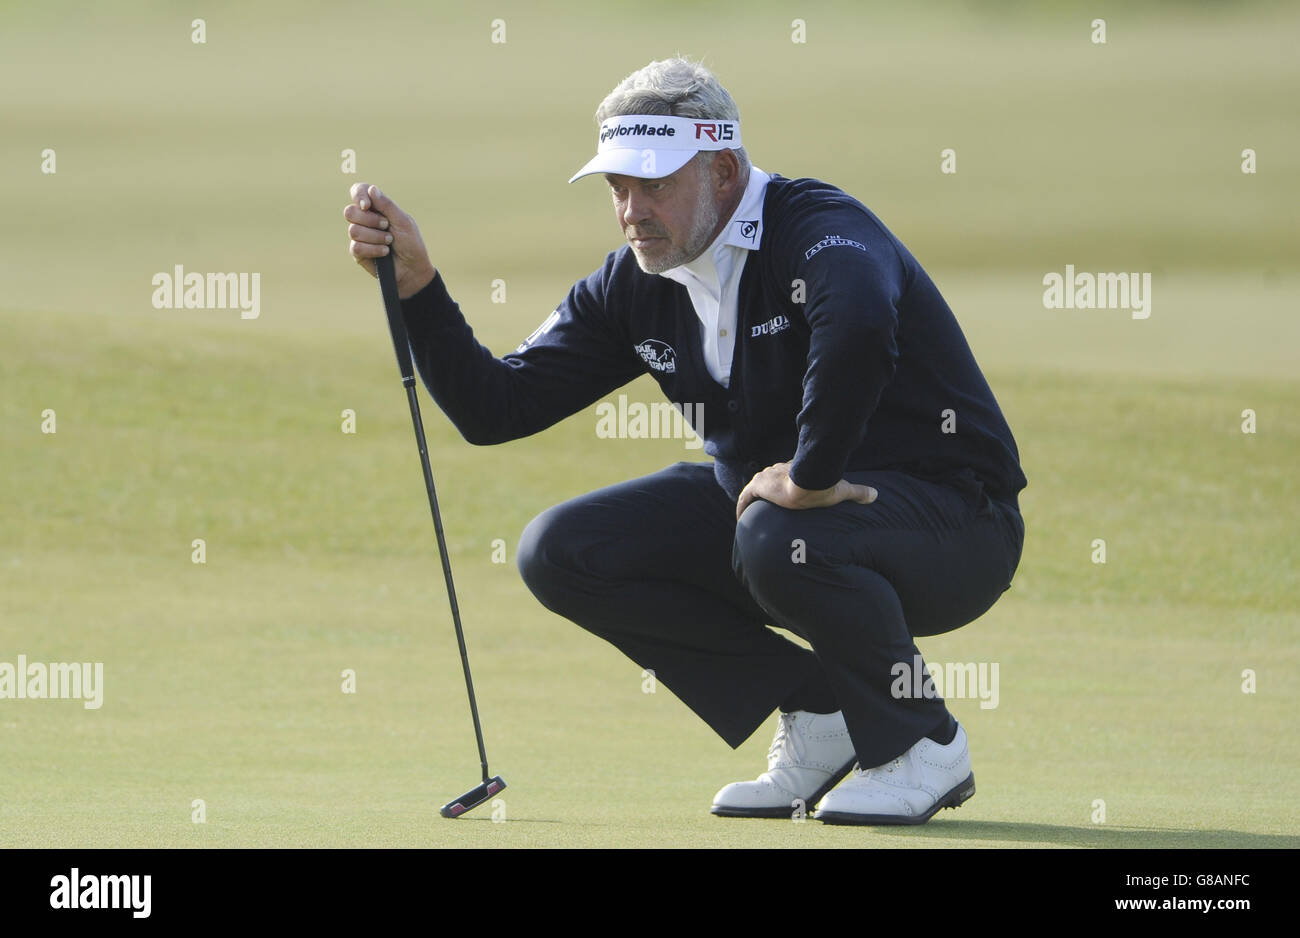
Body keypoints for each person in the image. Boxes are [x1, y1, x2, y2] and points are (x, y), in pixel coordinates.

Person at [342, 57, 1026, 825]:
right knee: (563, 550)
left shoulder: (817, 227)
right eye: (617, 188)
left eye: (655, 184)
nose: (632, 210)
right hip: (784, 525)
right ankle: (820, 710)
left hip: (956, 523)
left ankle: (920, 746)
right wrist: (419, 290)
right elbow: (499, 407)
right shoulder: (636, 283)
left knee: (778, 528)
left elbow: (861, 322)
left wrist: (809, 475)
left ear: (724, 169)